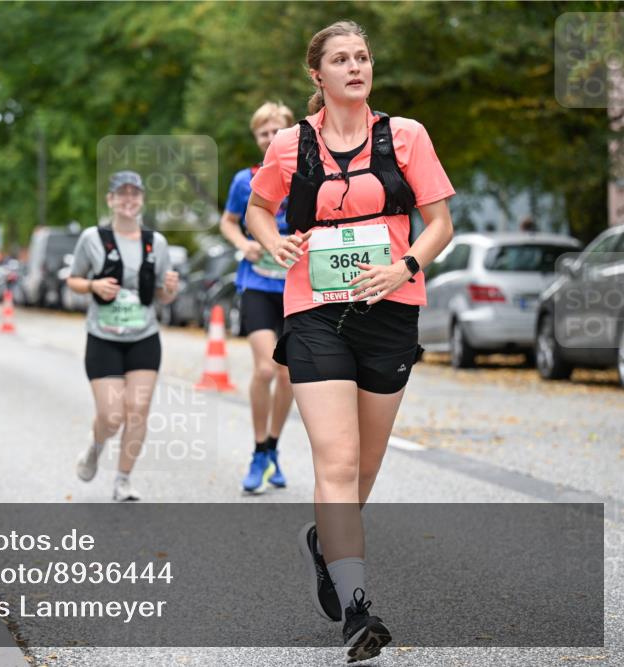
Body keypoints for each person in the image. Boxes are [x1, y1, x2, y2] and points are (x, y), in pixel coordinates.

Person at [246, 21, 455, 663]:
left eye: (362, 57)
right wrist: (272, 242)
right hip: (315, 312)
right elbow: (258, 207)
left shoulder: (407, 135)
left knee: (363, 467)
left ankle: (325, 544)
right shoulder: (290, 144)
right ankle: (358, 609)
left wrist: (405, 266)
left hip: (390, 310)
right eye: (341, 59)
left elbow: (439, 223)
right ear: (318, 74)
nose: (355, 67)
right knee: (336, 461)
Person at [67, 171, 179, 502]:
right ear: (111, 199)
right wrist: (93, 285)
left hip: (144, 336)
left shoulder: (156, 242)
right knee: (111, 415)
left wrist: (170, 289)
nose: (128, 199)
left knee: (138, 409)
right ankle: (95, 446)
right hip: (103, 336)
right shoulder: (92, 238)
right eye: (122, 193)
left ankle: (123, 480)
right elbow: (73, 279)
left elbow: (163, 296)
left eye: (135, 193)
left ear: (141, 199)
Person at [220, 101, 297, 494]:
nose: (270, 138)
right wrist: (243, 244)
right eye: (263, 133)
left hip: (296, 287)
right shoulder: (244, 180)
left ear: (290, 133)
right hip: (257, 284)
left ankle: (273, 447)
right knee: (266, 369)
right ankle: (258, 450)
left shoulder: (306, 174)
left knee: (287, 373)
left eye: (277, 131)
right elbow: (229, 222)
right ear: (256, 138)